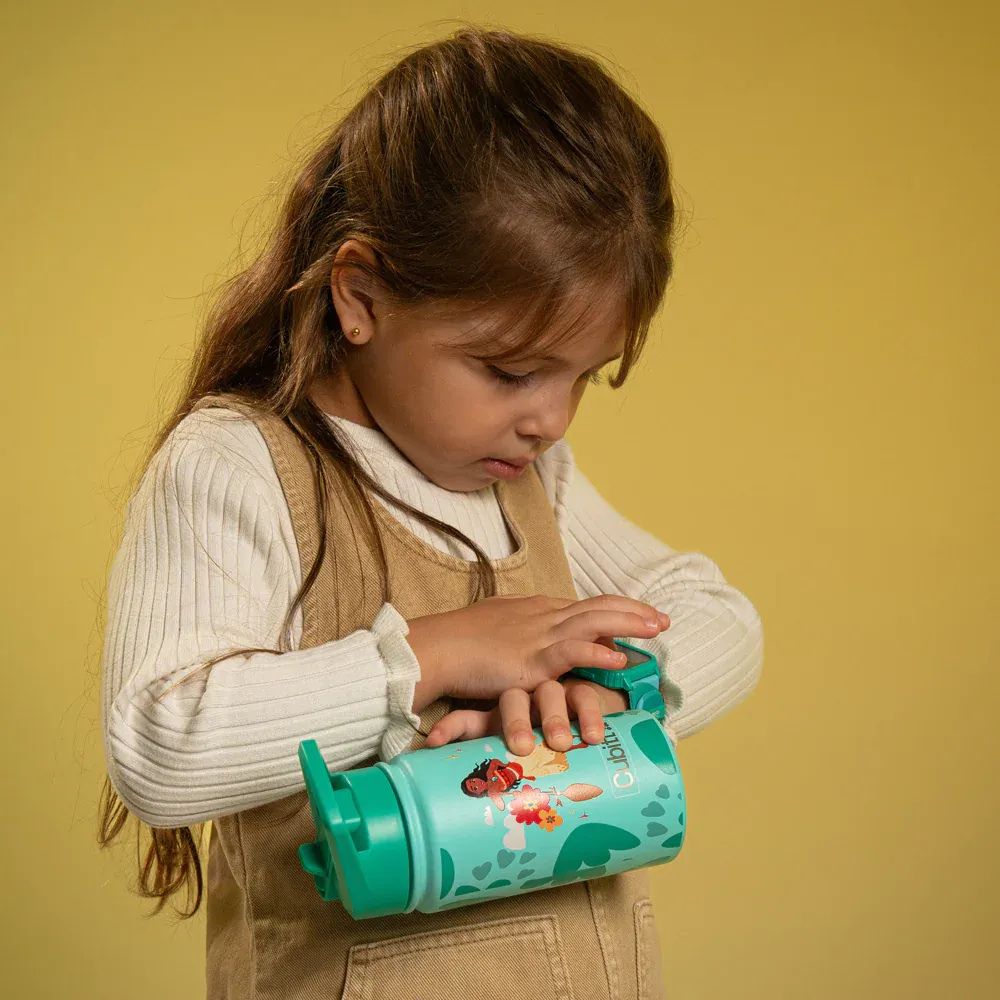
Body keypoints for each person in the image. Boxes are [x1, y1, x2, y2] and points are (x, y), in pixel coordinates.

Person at [98, 25, 763, 1000]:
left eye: (584, 376)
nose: (549, 419)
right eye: (510, 370)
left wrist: (606, 690)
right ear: (361, 295)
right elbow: (161, 743)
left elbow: (719, 615)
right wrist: (431, 657)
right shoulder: (240, 465)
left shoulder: (533, 479)